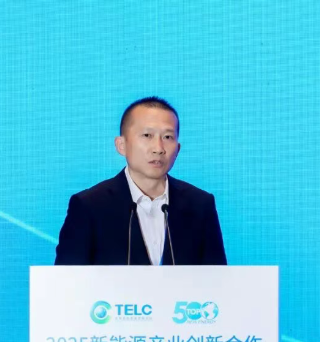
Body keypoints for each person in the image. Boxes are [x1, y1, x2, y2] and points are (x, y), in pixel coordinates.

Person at [54, 97, 227, 265]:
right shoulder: (89, 206)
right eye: (147, 135)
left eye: (167, 137)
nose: (158, 149)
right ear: (121, 145)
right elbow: (67, 280)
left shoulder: (200, 205)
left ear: (178, 148)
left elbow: (217, 279)